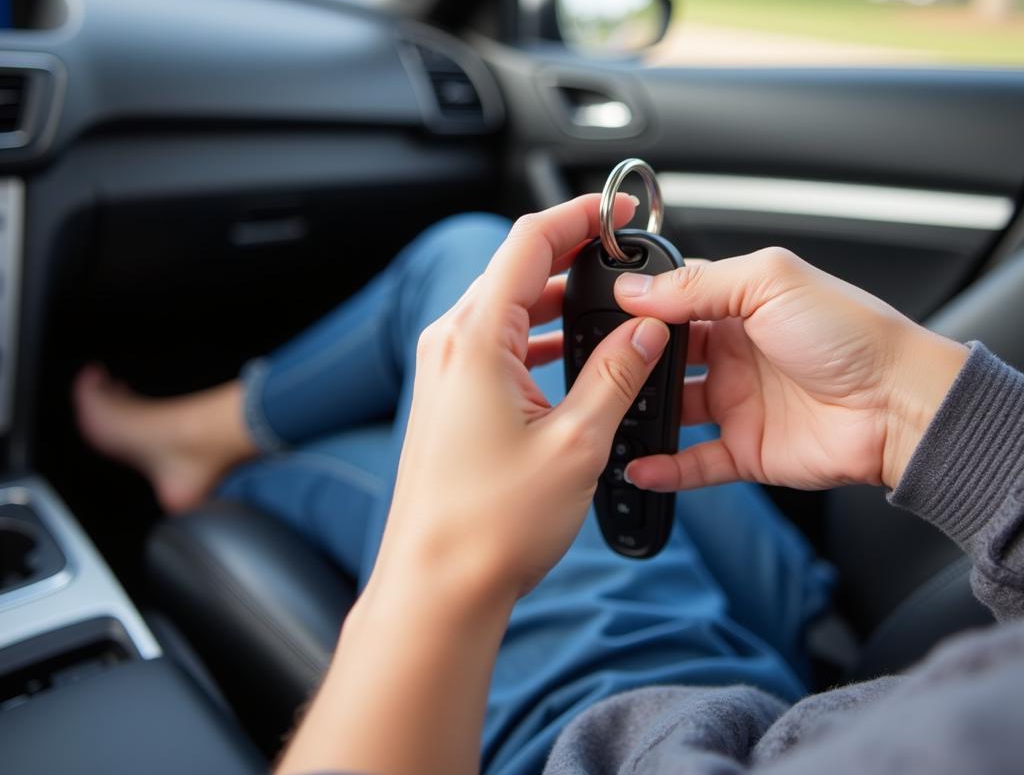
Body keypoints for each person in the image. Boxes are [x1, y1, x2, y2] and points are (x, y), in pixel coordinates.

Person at [74, 194, 1024, 775]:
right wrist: (911, 409)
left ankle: (203, 444)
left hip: (619, 732)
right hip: (802, 686)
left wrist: (443, 566)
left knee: (459, 279)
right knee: (476, 294)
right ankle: (210, 436)